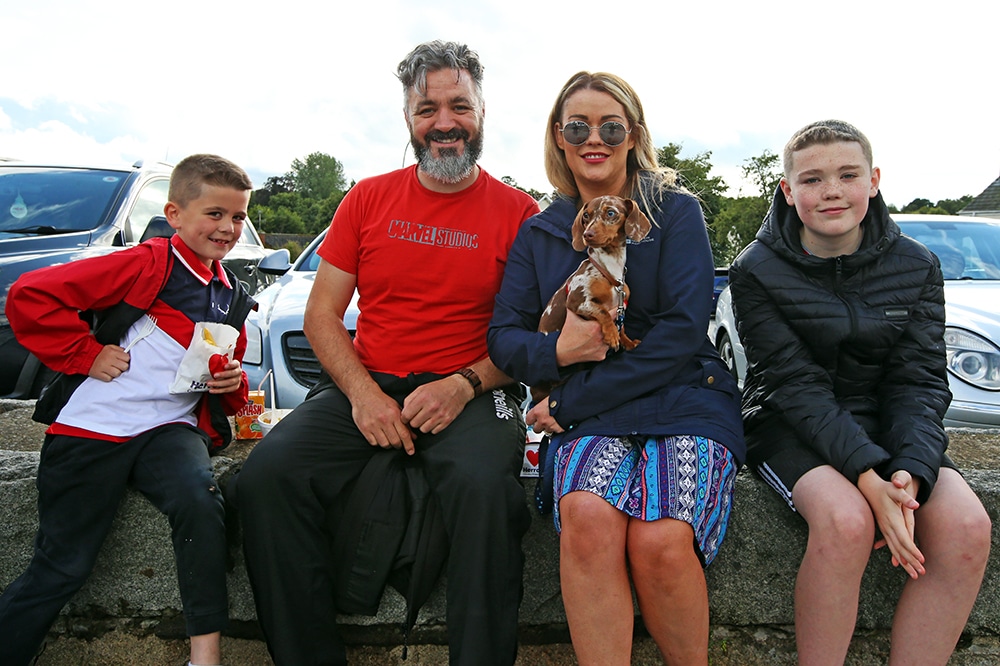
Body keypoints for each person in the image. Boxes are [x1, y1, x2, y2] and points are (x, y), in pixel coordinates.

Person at [236, 40, 538, 666]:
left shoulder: (520, 214)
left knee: (485, 492)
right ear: (407, 118)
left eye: (460, 106)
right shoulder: (367, 199)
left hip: (474, 389)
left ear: (482, 112)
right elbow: (322, 316)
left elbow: (530, 338)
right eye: (427, 109)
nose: (445, 123)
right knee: (267, 477)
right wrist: (365, 394)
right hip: (368, 382)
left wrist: (463, 384)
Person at [488, 71, 744, 665]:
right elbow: (503, 338)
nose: (592, 138)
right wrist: (558, 355)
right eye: (577, 126)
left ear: (633, 134)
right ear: (558, 137)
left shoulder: (674, 213)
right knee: (586, 514)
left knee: (662, 538)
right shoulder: (543, 232)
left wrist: (573, 399)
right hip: (590, 407)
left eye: (611, 125)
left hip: (683, 394)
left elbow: (682, 332)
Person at [728, 120, 991, 664]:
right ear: (787, 191)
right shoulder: (756, 269)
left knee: (968, 526)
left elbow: (918, 381)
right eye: (812, 179)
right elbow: (793, 384)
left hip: (885, 421)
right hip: (788, 421)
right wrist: (868, 480)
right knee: (847, 521)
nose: (831, 191)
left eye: (847, 175)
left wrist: (909, 474)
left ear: (872, 181)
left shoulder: (918, 264)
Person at [0, 154, 256, 666]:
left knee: (202, 504)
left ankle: (204, 656)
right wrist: (85, 353)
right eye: (214, 214)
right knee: (63, 567)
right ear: (175, 213)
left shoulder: (233, 297)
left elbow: (224, 383)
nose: (228, 228)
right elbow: (30, 294)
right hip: (94, 430)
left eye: (238, 217)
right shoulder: (145, 263)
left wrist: (232, 383)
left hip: (170, 429)